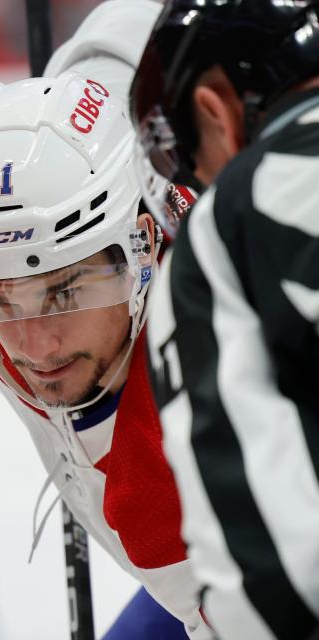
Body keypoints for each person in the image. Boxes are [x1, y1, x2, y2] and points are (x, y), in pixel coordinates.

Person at [0, 1, 213, 637]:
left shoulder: (170, 464)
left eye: (64, 292)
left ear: (144, 245)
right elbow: (124, 45)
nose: (34, 345)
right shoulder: (105, 136)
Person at [130, 1, 319, 638]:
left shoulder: (227, 222)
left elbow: (267, 566)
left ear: (214, 111)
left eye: (189, 157)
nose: (199, 182)